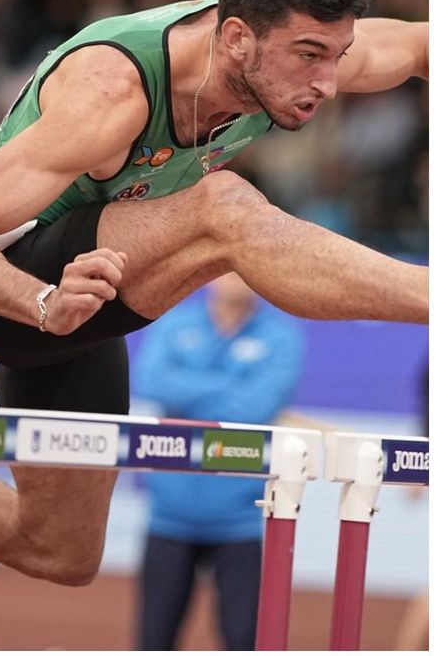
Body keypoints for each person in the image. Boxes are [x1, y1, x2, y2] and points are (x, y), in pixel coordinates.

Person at [0, 0, 428, 587]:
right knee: (223, 211)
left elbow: (417, 46)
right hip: (14, 289)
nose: (327, 82)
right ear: (237, 38)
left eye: (337, 56)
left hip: (96, 295)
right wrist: (40, 302)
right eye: (311, 56)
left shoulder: (289, 53)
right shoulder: (111, 89)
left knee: (57, 549)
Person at [133, 273, 303, 649]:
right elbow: (150, 381)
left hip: (242, 518)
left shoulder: (282, 336)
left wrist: (190, 389)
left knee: (243, 641)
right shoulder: (176, 322)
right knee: (152, 641)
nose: (234, 277)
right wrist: (229, 384)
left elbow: (257, 407)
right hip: (169, 512)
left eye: (243, 267)